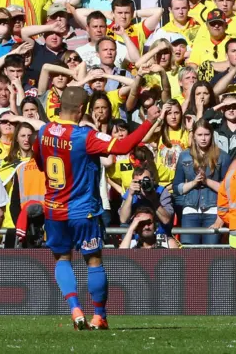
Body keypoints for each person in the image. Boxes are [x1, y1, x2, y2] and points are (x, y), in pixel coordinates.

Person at [33, 86, 162, 331]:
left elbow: (40, 164)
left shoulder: (43, 131)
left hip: (53, 209)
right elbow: (123, 148)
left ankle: (74, 308)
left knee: (62, 258)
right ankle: (99, 316)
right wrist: (149, 121)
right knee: (93, 261)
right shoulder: (84, 136)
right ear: (82, 110)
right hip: (83, 210)